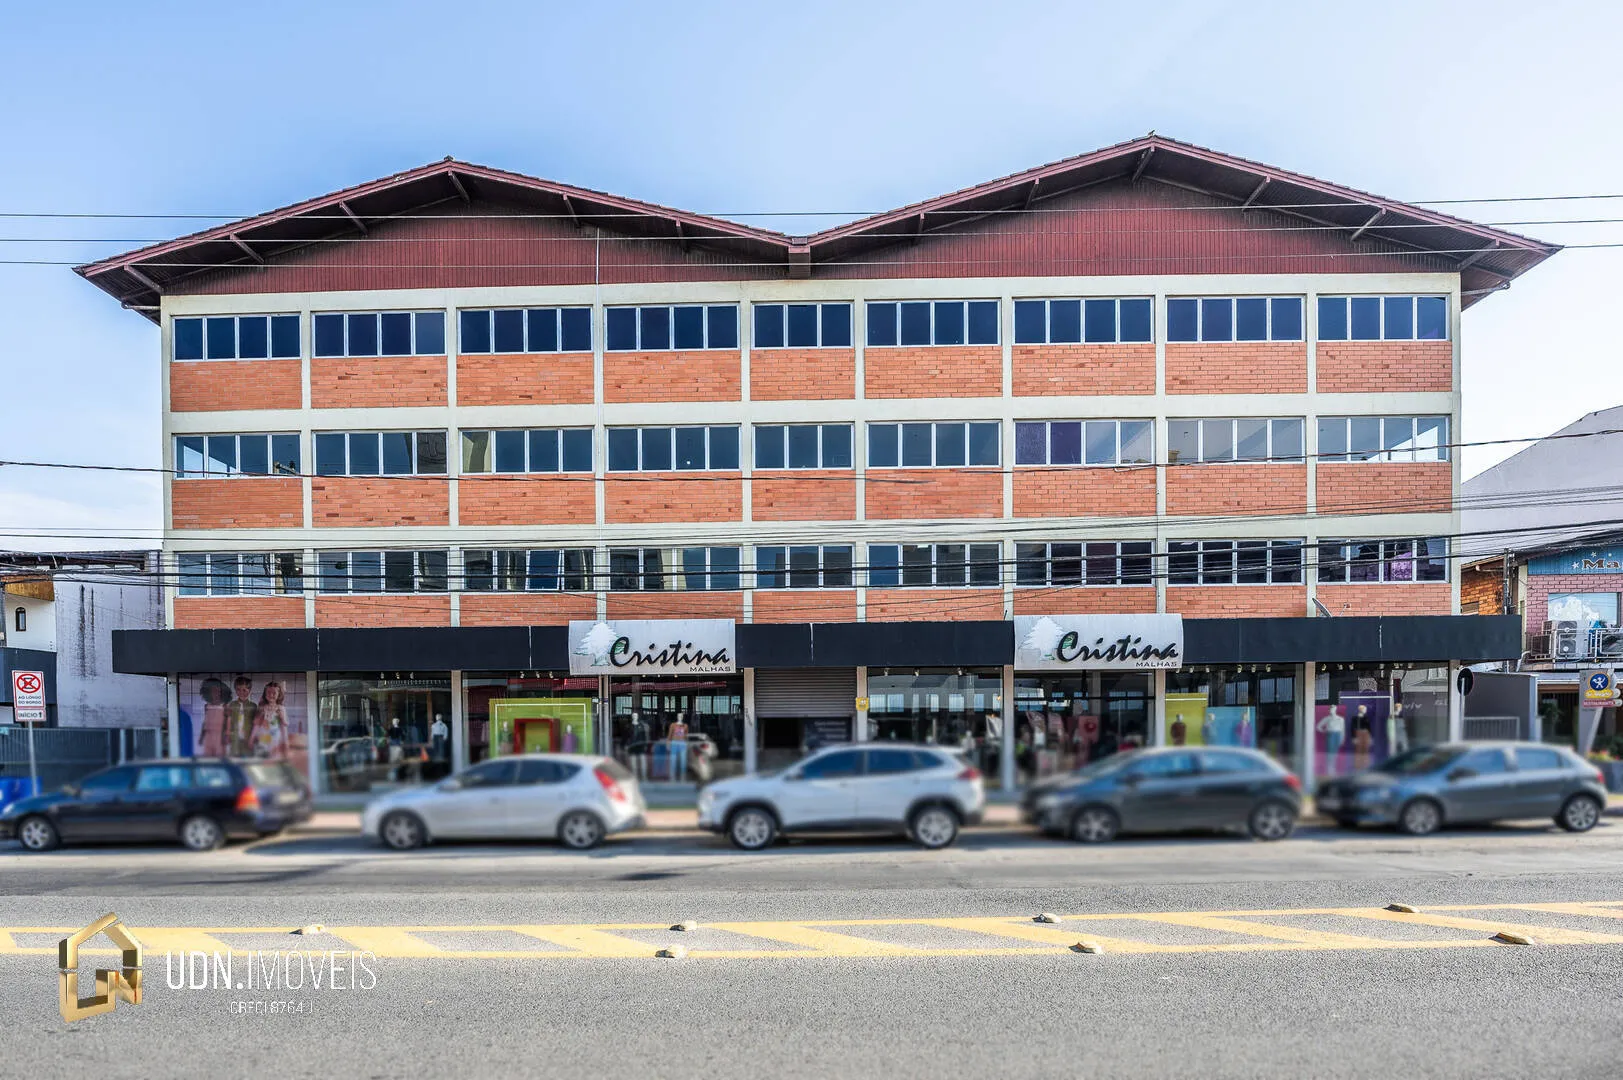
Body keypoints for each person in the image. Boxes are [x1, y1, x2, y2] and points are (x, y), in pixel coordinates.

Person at [253, 681, 288, 759]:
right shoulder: (261, 707)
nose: (271, 695)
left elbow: (284, 726)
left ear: (279, 695)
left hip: (275, 741)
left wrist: (285, 742)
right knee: (261, 761)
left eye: (274, 693)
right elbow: (256, 724)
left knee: (273, 761)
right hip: (262, 741)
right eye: (268, 692)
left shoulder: (281, 708)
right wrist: (251, 739)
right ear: (265, 694)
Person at [225, 676, 257, 756]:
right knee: (234, 756)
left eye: (244, 690)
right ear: (235, 690)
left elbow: (256, 724)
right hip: (235, 736)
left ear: (249, 690)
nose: (241, 692)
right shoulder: (232, 704)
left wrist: (254, 737)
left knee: (248, 757)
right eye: (238, 690)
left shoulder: (253, 706)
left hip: (248, 736)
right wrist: (227, 734)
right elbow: (229, 720)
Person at [198, 678, 229, 756]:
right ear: (209, 693)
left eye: (218, 691)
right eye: (213, 691)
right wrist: (201, 736)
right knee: (208, 758)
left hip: (219, 735)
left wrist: (226, 736)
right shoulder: (207, 706)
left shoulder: (225, 706)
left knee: (220, 758)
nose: (216, 693)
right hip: (208, 735)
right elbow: (205, 722)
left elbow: (228, 722)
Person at [1317, 705, 1346, 774]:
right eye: (1330, 709)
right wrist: (1325, 731)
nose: (1331, 710)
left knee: (1335, 752)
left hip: (1338, 735)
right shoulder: (1327, 718)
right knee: (1330, 751)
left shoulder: (1340, 719)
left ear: (1335, 709)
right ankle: (1329, 768)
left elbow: (1342, 730)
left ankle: (1333, 767)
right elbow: (1318, 726)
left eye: (1332, 709)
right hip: (1330, 734)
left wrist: (1342, 738)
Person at [666, 714, 689, 782]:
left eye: (681, 716)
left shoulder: (685, 726)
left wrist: (686, 744)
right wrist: (668, 744)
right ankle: (672, 776)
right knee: (673, 760)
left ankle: (683, 776)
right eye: (679, 716)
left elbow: (686, 736)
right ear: (677, 717)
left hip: (682, 743)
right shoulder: (673, 725)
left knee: (683, 760)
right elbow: (670, 735)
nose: (680, 717)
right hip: (674, 743)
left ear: (683, 717)